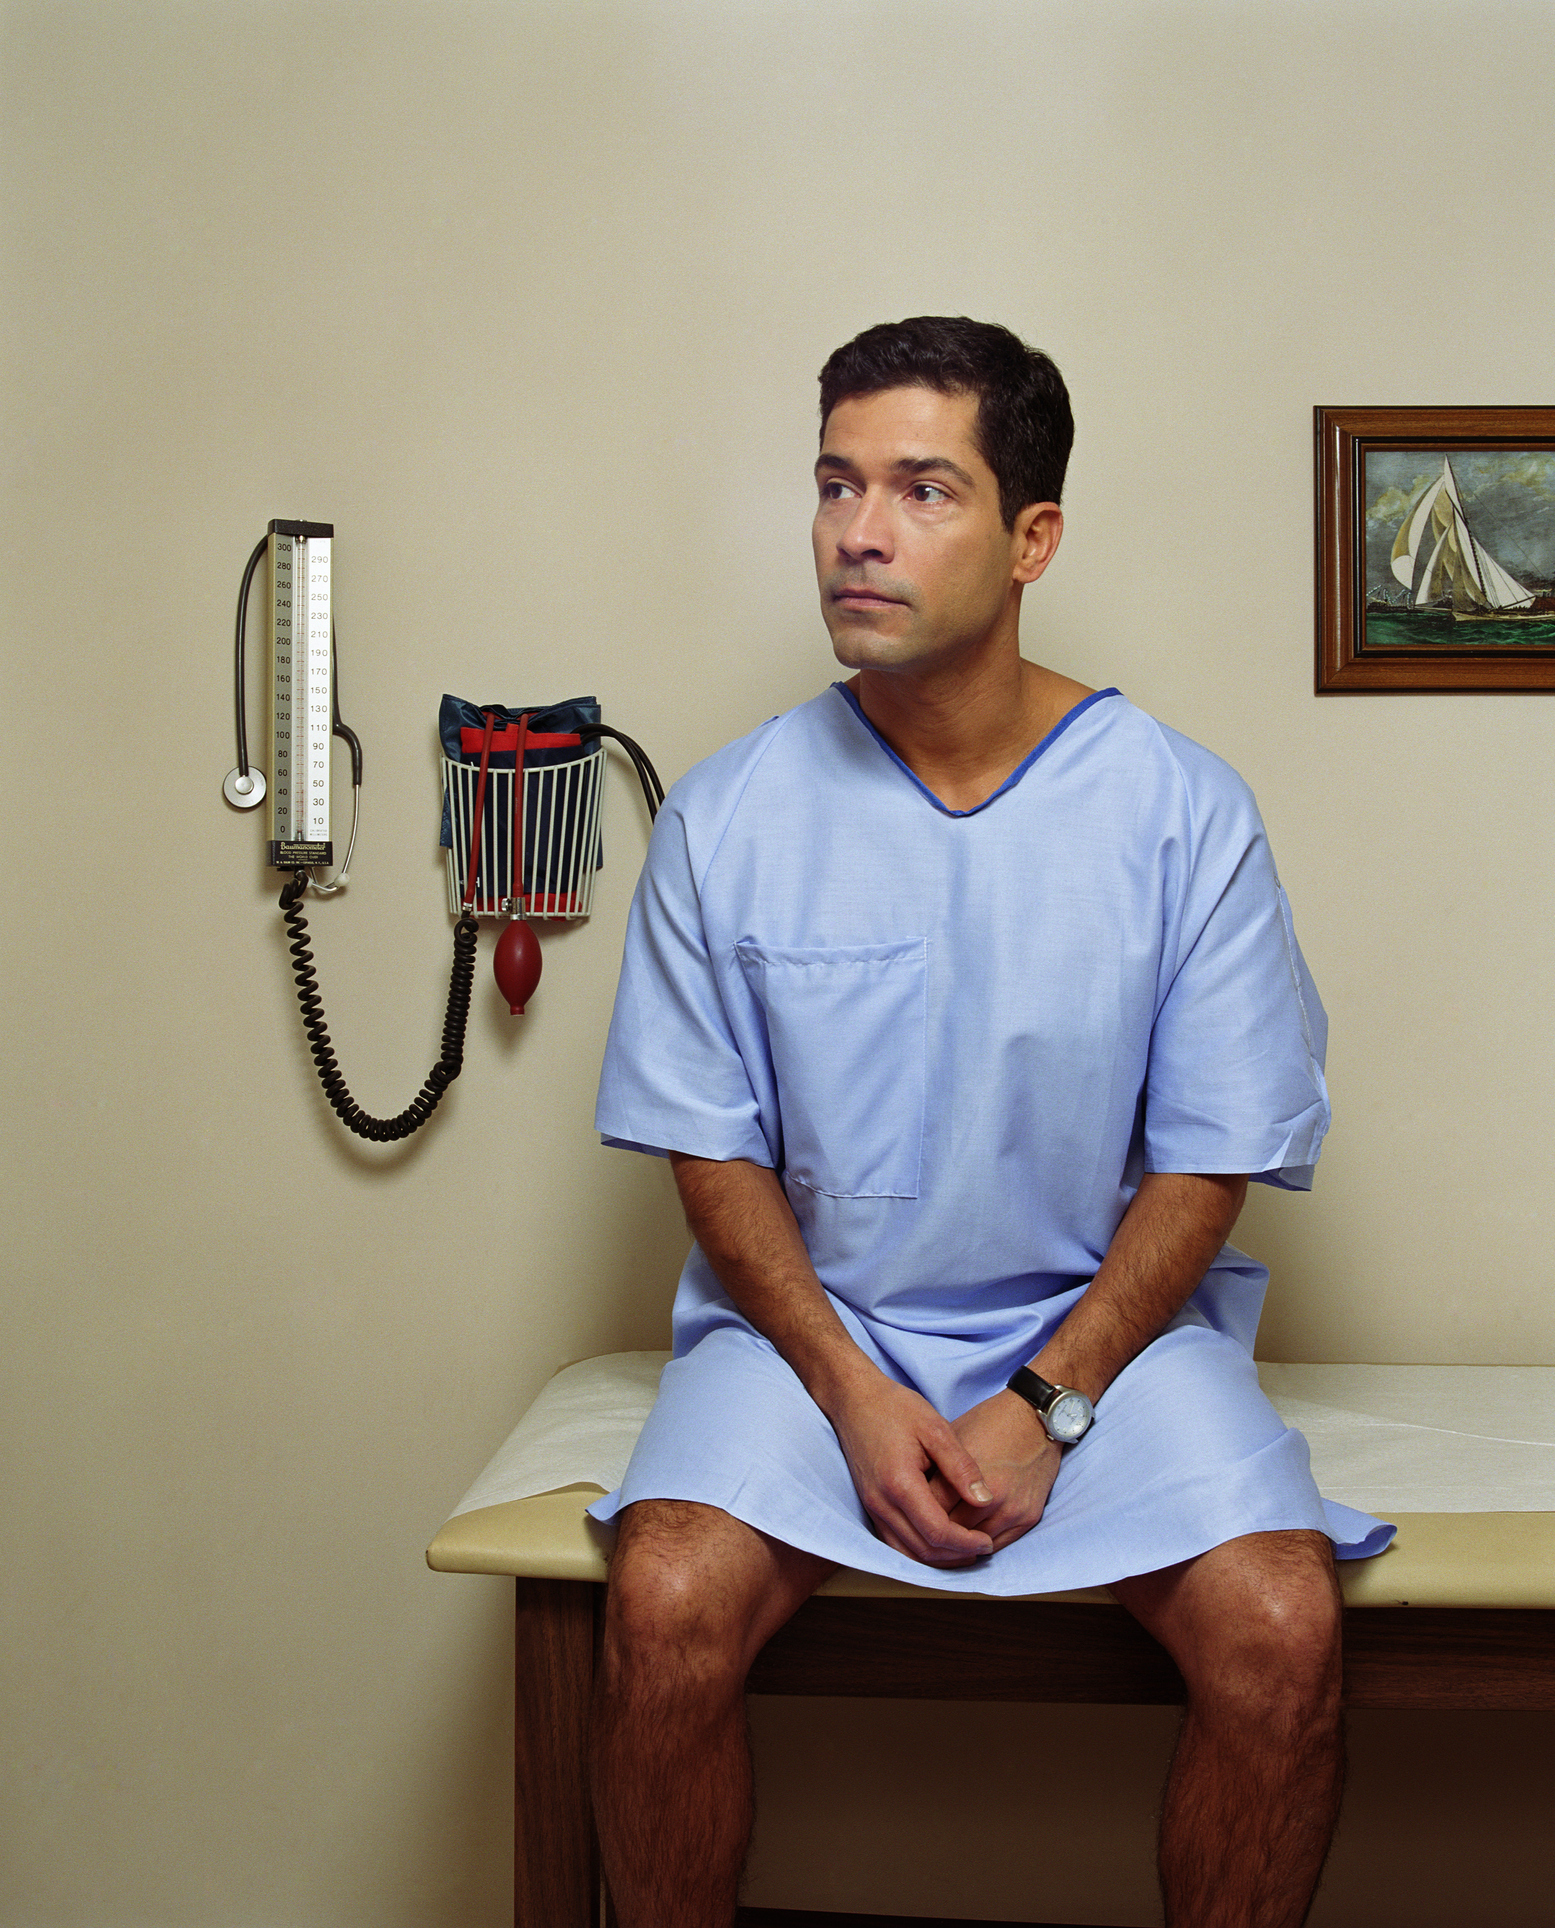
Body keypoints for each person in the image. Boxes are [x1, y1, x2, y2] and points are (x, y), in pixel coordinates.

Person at [587, 316, 1391, 1928]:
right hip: (816, 1337)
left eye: (921, 490)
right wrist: (854, 1391)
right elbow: (712, 1153)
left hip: (1103, 1344)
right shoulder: (734, 815)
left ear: (1034, 537)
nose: (858, 532)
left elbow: (1212, 1157)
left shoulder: (1178, 813)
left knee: (1283, 1624)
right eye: (834, 484)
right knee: (665, 1599)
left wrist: (1052, 1401)